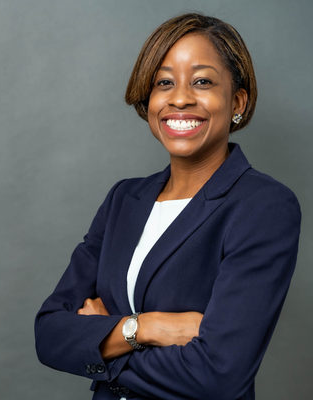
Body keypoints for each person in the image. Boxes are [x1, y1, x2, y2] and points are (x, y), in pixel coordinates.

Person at [34, 13, 301, 400]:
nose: (179, 98)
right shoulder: (124, 199)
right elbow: (49, 335)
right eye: (164, 82)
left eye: (202, 81)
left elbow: (219, 374)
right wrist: (147, 328)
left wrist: (101, 338)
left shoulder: (263, 206)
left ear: (237, 100)